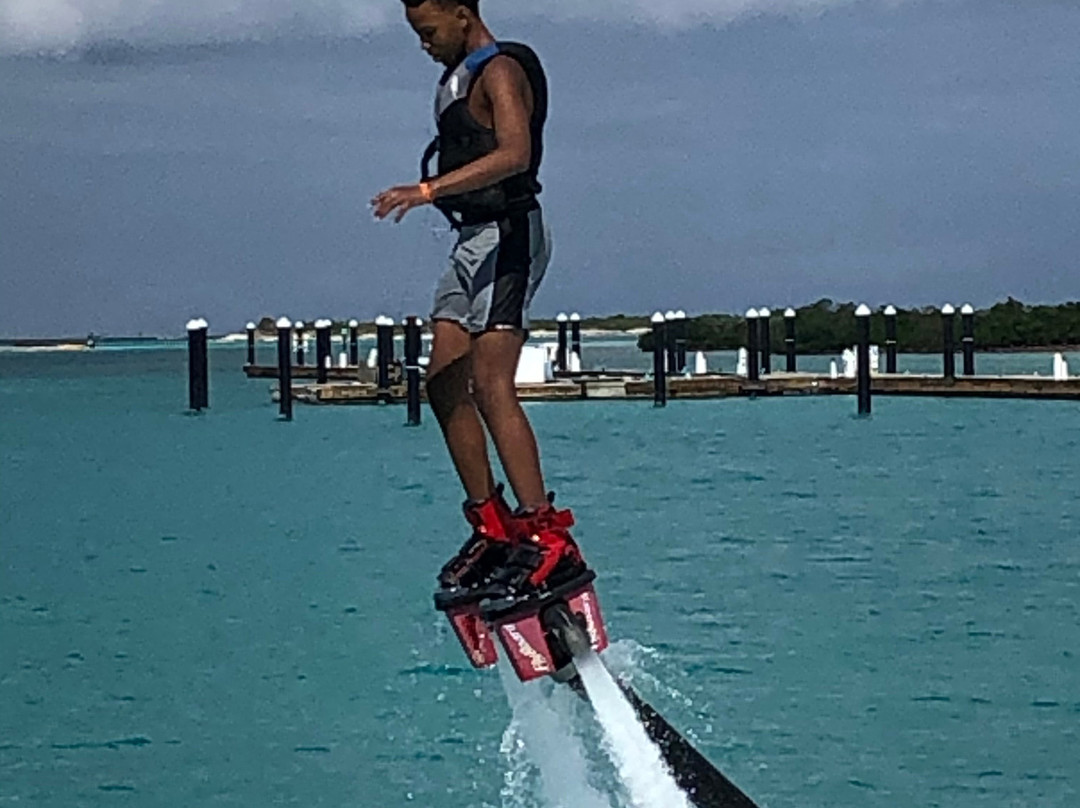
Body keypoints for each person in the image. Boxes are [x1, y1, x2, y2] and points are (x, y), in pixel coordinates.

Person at [371, 0, 592, 611]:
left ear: (462, 13)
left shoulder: (499, 70)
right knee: (443, 382)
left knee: (493, 381)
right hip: (471, 240)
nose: (424, 45)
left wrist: (427, 190)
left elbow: (515, 152)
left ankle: (545, 532)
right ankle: (491, 524)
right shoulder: (456, 80)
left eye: (429, 31)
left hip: (510, 236)